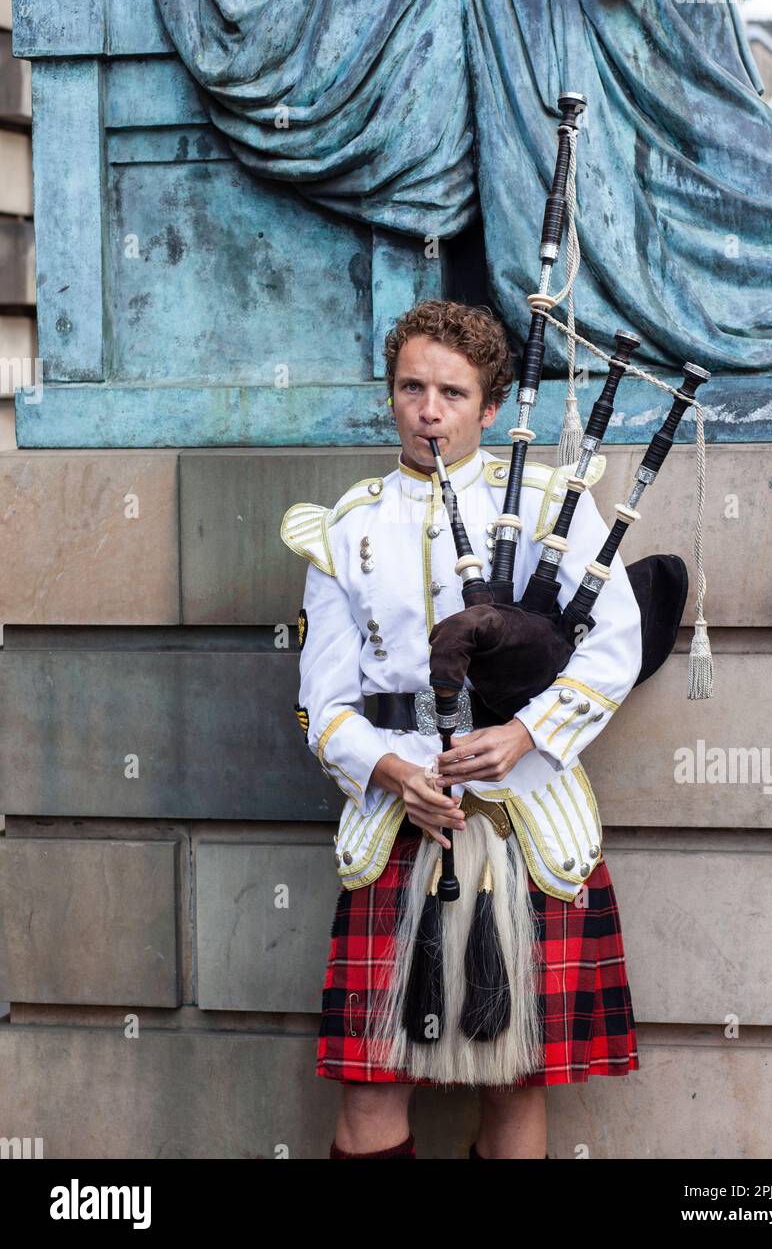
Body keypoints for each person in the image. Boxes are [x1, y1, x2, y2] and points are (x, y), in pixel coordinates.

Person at [281, 300, 644, 1159]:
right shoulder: (346, 527)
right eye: (412, 386)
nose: (429, 409)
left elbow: (613, 648)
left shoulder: (555, 505)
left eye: (452, 391)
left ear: (490, 405)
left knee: (515, 1093)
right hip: (397, 820)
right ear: (392, 394)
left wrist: (526, 733)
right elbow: (320, 703)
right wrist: (387, 771)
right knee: (370, 1093)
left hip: (529, 810)